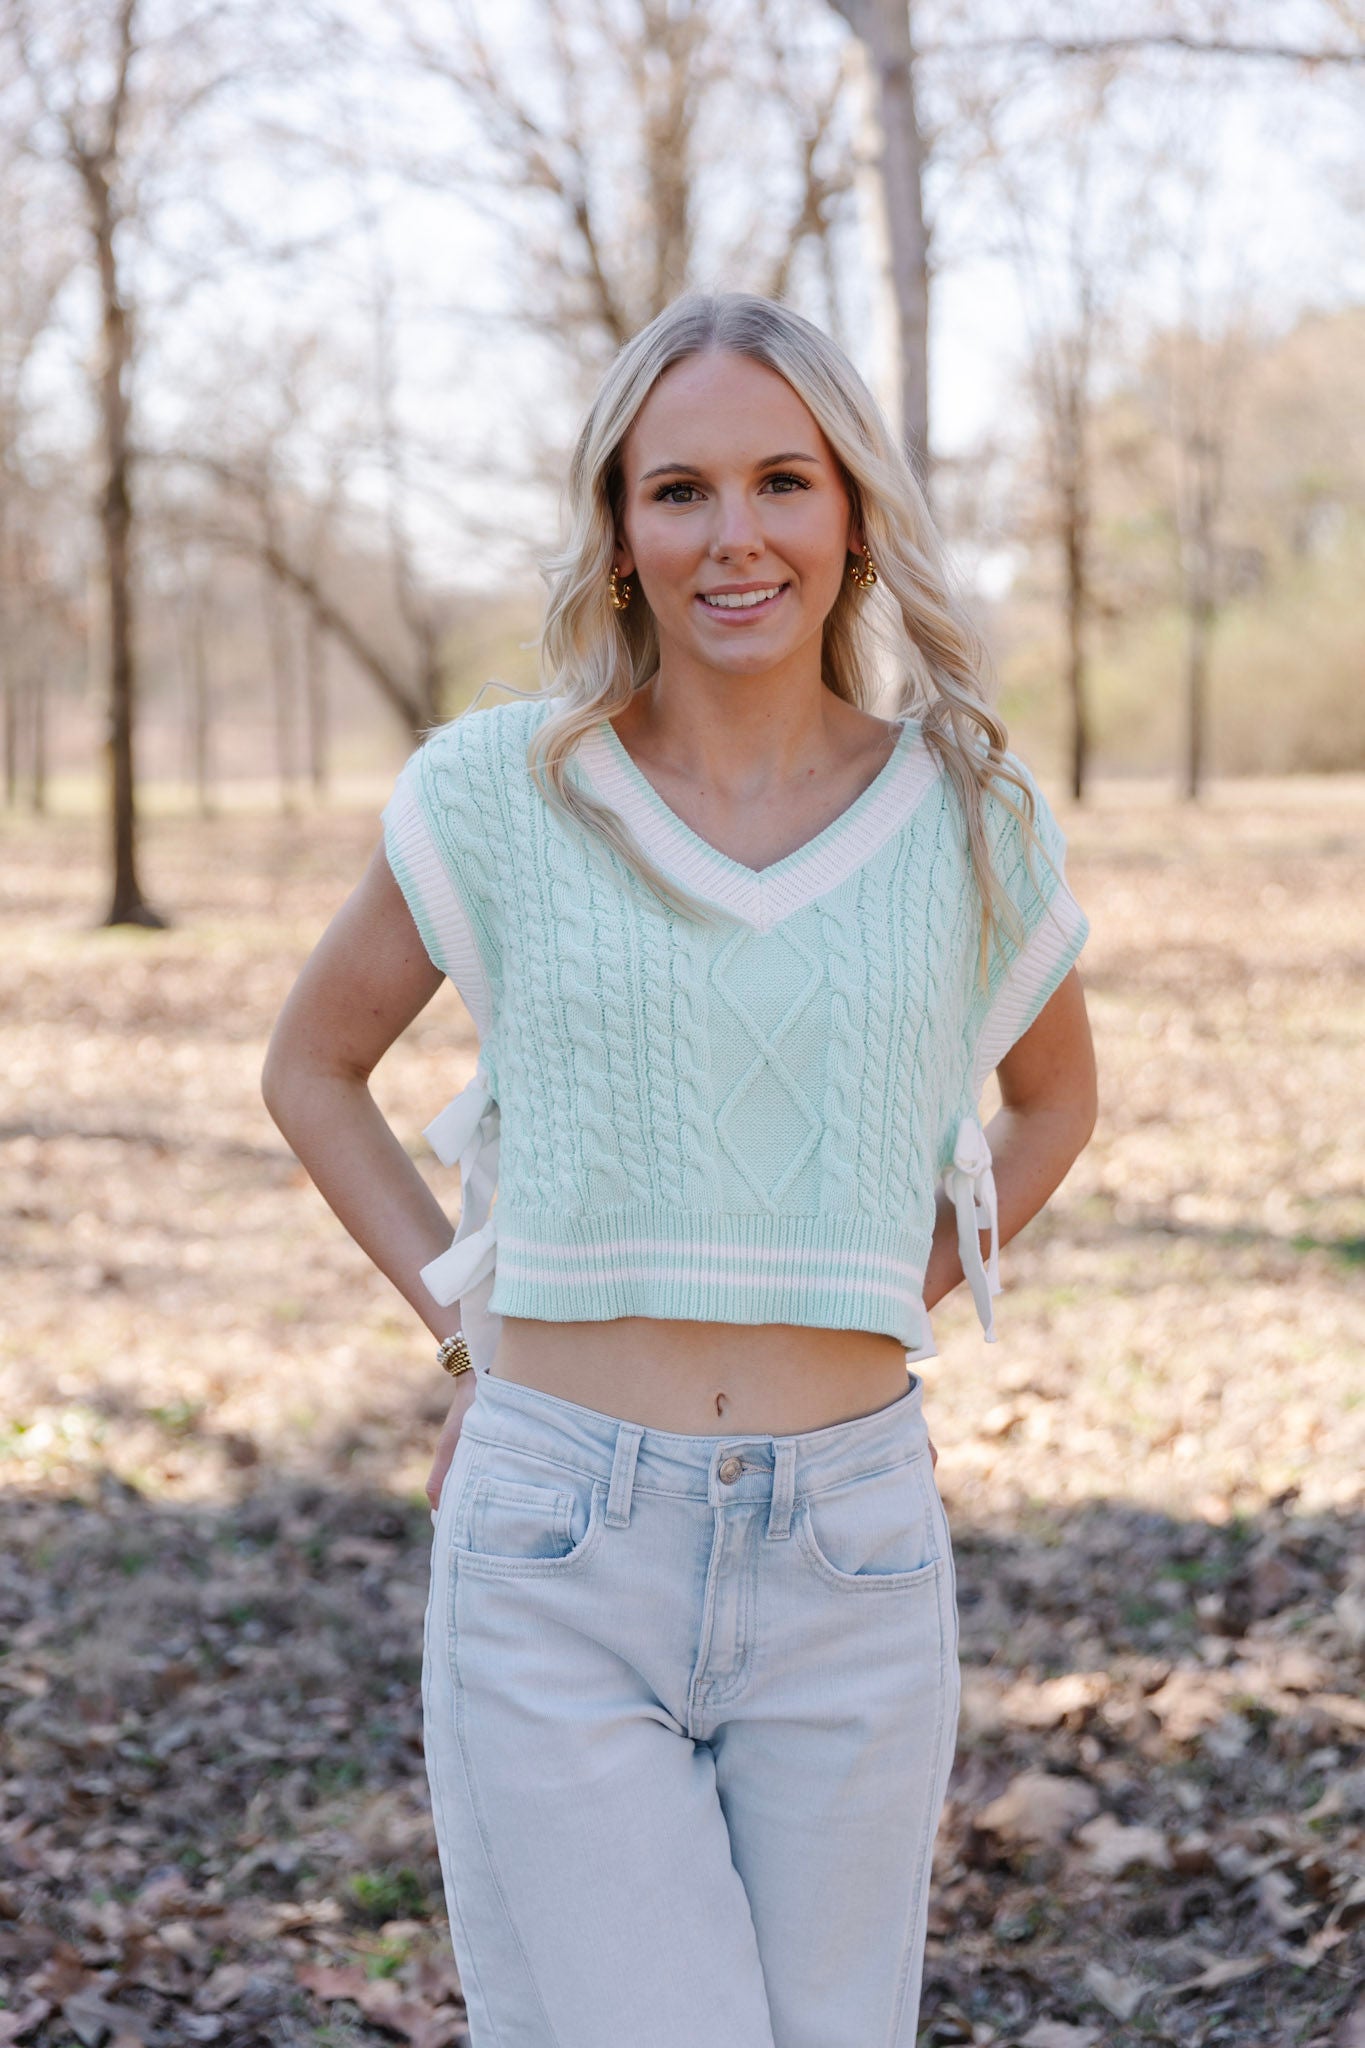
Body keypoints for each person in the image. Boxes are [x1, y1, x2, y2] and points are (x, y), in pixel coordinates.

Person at [261, 289, 1097, 2048]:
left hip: (853, 1553)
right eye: (679, 491)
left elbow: (1051, 1106)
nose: (736, 536)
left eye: (783, 481)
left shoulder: (968, 811)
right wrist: (467, 1333)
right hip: (561, 1545)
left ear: (851, 514)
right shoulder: (503, 790)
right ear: (619, 533)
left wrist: (882, 1273)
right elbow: (314, 1066)